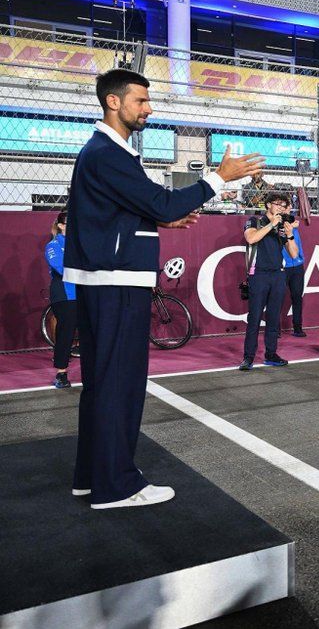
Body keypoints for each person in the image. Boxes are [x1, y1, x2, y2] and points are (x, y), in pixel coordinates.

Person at [64, 68, 263, 509]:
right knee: (120, 384)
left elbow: (124, 213)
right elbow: (160, 200)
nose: (149, 109)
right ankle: (116, 487)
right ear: (113, 102)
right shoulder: (107, 153)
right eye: (141, 101)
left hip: (106, 280)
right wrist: (218, 178)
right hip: (116, 282)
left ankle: (92, 476)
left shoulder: (105, 154)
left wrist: (160, 219)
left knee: (102, 383)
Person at [239, 191, 299, 370]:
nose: (281, 207)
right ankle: (248, 357)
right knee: (255, 317)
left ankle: (271, 354)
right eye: (277, 203)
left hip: (278, 275)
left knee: (274, 318)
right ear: (268, 205)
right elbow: (251, 238)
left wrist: (289, 234)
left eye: (283, 204)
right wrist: (271, 224)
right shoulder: (254, 221)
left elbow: (294, 253)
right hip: (258, 275)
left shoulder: (282, 226)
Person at [46, 211, 77, 389]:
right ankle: (61, 374)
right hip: (64, 294)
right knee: (66, 331)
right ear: (61, 225)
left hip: (83, 292)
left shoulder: (80, 244)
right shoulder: (53, 245)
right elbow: (60, 267)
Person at [282, 195, 307, 338]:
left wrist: (292, 225)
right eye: (287, 206)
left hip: (297, 265)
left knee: (297, 296)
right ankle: (275, 329)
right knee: (277, 298)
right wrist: (291, 226)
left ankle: (297, 327)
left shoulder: (293, 220)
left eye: (290, 206)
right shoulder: (276, 222)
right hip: (282, 266)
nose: (290, 209)